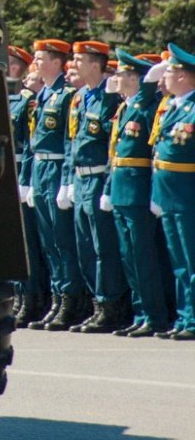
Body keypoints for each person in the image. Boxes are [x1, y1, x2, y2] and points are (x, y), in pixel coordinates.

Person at [62, 41, 129, 333]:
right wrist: (67, 181)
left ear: (95, 64)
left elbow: (114, 145)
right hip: (80, 177)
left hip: (100, 176)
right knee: (84, 247)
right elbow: (71, 141)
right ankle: (95, 303)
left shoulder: (111, 97)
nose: (73, 64)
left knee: (104, 248)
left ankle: (110, 305)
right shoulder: (79, 97)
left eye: (79, 60)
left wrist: (109, 185)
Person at [107, 49, 175, 337]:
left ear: (136, 78)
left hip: (138, 189)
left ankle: (156, 315)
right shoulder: (125, 108)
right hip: (122, 188)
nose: (116, 78)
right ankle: (141, 312)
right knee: (129, 257)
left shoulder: (146, 105)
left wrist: (151, 76)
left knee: (143, 256)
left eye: (122, 74)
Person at [26, 39, 85, 330]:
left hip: (57, 166)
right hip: (40, 167)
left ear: (55, 61)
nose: (35, 63)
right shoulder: (45, 93)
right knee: (48, 241)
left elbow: (70, 141)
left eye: (40, 58)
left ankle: (71, 299)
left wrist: (65, 181)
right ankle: (57, 298)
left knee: (62, 240)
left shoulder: (67, 95)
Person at [150, 45, 195, 340]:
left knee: (191, 260)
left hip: (187, 192)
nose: (165, 76)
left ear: (184, 75)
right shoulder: (174, 106)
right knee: (178, 260)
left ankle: (192, 319)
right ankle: (184, 316)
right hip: (168, 191)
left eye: (170, 70)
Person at [6, 45, 49, 327]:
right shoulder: (3, 99)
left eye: (8, 63)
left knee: (27, 244)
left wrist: (24, 180)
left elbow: (30, 145)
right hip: (2, 172)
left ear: (18, 69)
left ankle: (31, 297)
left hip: (20, 171)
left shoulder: (26, 102)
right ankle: (17, 295)